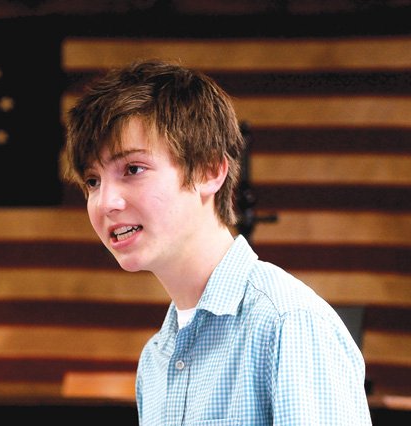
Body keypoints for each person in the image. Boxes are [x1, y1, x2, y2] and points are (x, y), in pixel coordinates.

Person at [63, 59, 371, 425]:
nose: (106, 202)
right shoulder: (156, 357)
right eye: (93, 181)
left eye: (133, 169)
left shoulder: (287, 324)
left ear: (210, 171)